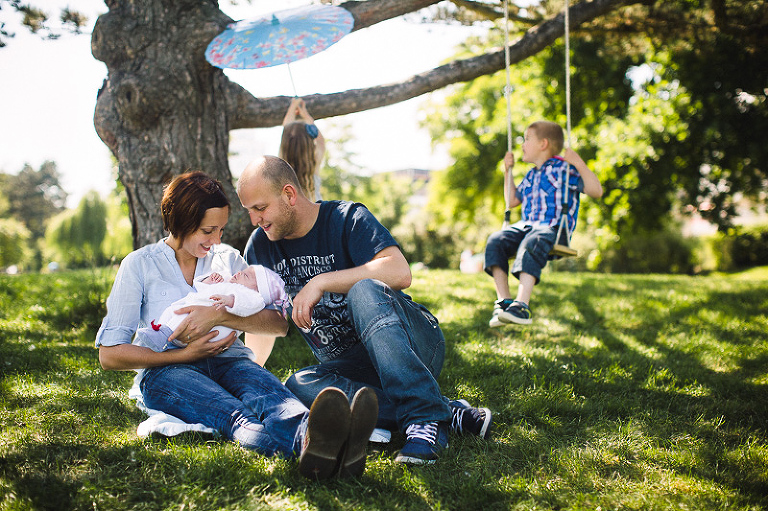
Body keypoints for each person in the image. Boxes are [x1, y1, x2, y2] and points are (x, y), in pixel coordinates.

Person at [95, 170, 377, 480]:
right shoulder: (140, 264)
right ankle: (319, 447)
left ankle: (327, 443)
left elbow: (277, 324)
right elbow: (110, 355)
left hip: (231, 361)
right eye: (208, 230)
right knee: (233, 413)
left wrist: (222, 316)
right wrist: (182, 356)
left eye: (221, 230)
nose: (216, 241)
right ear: (180, 222)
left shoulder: (227, 259)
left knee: (276, 400)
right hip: (168, 372)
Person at [238, 155, 493, 466]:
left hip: (411, 344)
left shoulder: (347, 217)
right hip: (350, 369)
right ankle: (442, 410)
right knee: (296, 385)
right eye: (249, 211)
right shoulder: (261, 246)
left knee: (365, 288)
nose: (254, 220)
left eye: (260, 208)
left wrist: (322, 281)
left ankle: (425, 419)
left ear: (289, 194)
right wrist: (253, 374)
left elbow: (400, 272)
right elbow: (272, 323)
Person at [484, 120, 603, 327]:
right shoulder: (530, 175)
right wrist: (507, 172)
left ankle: (522, 305)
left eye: (527, 139)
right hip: (526, 226)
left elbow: (596, 191)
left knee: (533, 241)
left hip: (552, 229)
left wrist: (579, 163)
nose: (522, 144)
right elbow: (512, 201)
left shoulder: (565, 170)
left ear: (543, 144)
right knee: (495, 240)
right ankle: (504, 302)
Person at [136, 265, 289, 352]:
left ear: (257, 290)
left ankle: (164, 337)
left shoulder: (251, 295)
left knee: (182, 318)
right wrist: (209, 281)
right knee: (172, 311)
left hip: (211, 329)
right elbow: (201, 290)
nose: (240, 272)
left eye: (247, 276)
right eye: (244, 270)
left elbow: (250, 304)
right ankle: (160, 331)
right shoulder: (228, 282)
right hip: (194, 307)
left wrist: (230, 301)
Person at [280, 97, 326, 202]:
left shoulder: (281, 168)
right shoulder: (312, 165)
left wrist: (292, 106)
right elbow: (321, 142)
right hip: (317, 215)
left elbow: (286, 130)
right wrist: (305, 114)